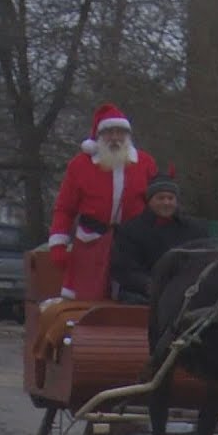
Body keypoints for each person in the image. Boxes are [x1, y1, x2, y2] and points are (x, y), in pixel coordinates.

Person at [48, 103, 158, 300]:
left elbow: (157, 205)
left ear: (128, 136)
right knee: (86, 300)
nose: (115, 138)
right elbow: (64, 209)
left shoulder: (145, 163)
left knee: (134, 300)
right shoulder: (80, 165)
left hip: (132, 245)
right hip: (91, 242)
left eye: (120, 132)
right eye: (109, 132)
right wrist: (58, 245)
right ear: (99, 136)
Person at [110, 170, 209, 304]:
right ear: (150, 201)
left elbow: (204, 263)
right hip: (144, 296)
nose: (166, 202)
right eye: (161, 198)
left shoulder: (196, 230)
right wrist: (154, 286)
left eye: (170, 198)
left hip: (187, 294)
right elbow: (125, 270)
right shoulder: (130, 230)